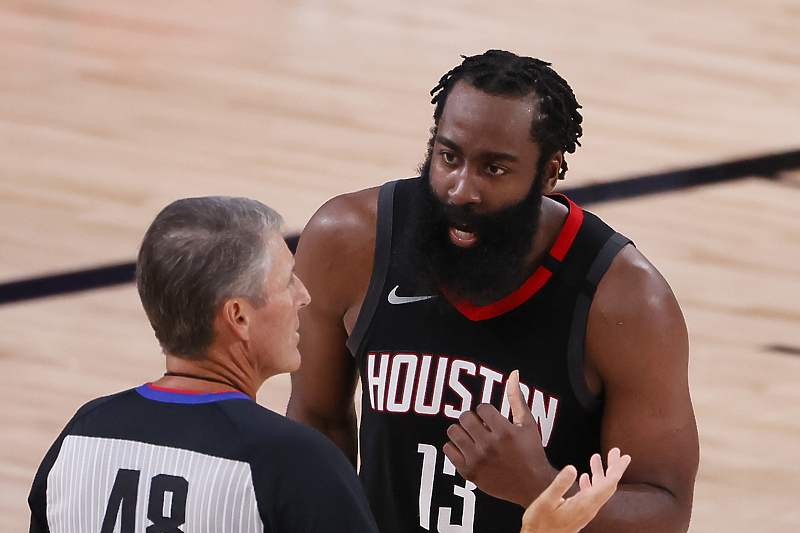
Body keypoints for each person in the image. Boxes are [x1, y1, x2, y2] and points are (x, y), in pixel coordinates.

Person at [287, 49, 699, 533]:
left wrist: (541, 488)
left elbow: (666, 508)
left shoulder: (624, 300)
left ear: (550, 173)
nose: (462, 189)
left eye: (494, 169)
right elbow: (317, 422)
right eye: (449, 156)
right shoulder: (350, 241)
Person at [28, 196, 379, 533]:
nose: (303, 296)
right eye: (288, 281)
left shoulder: (80, 434)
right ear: (238, 316)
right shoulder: (298, 463)